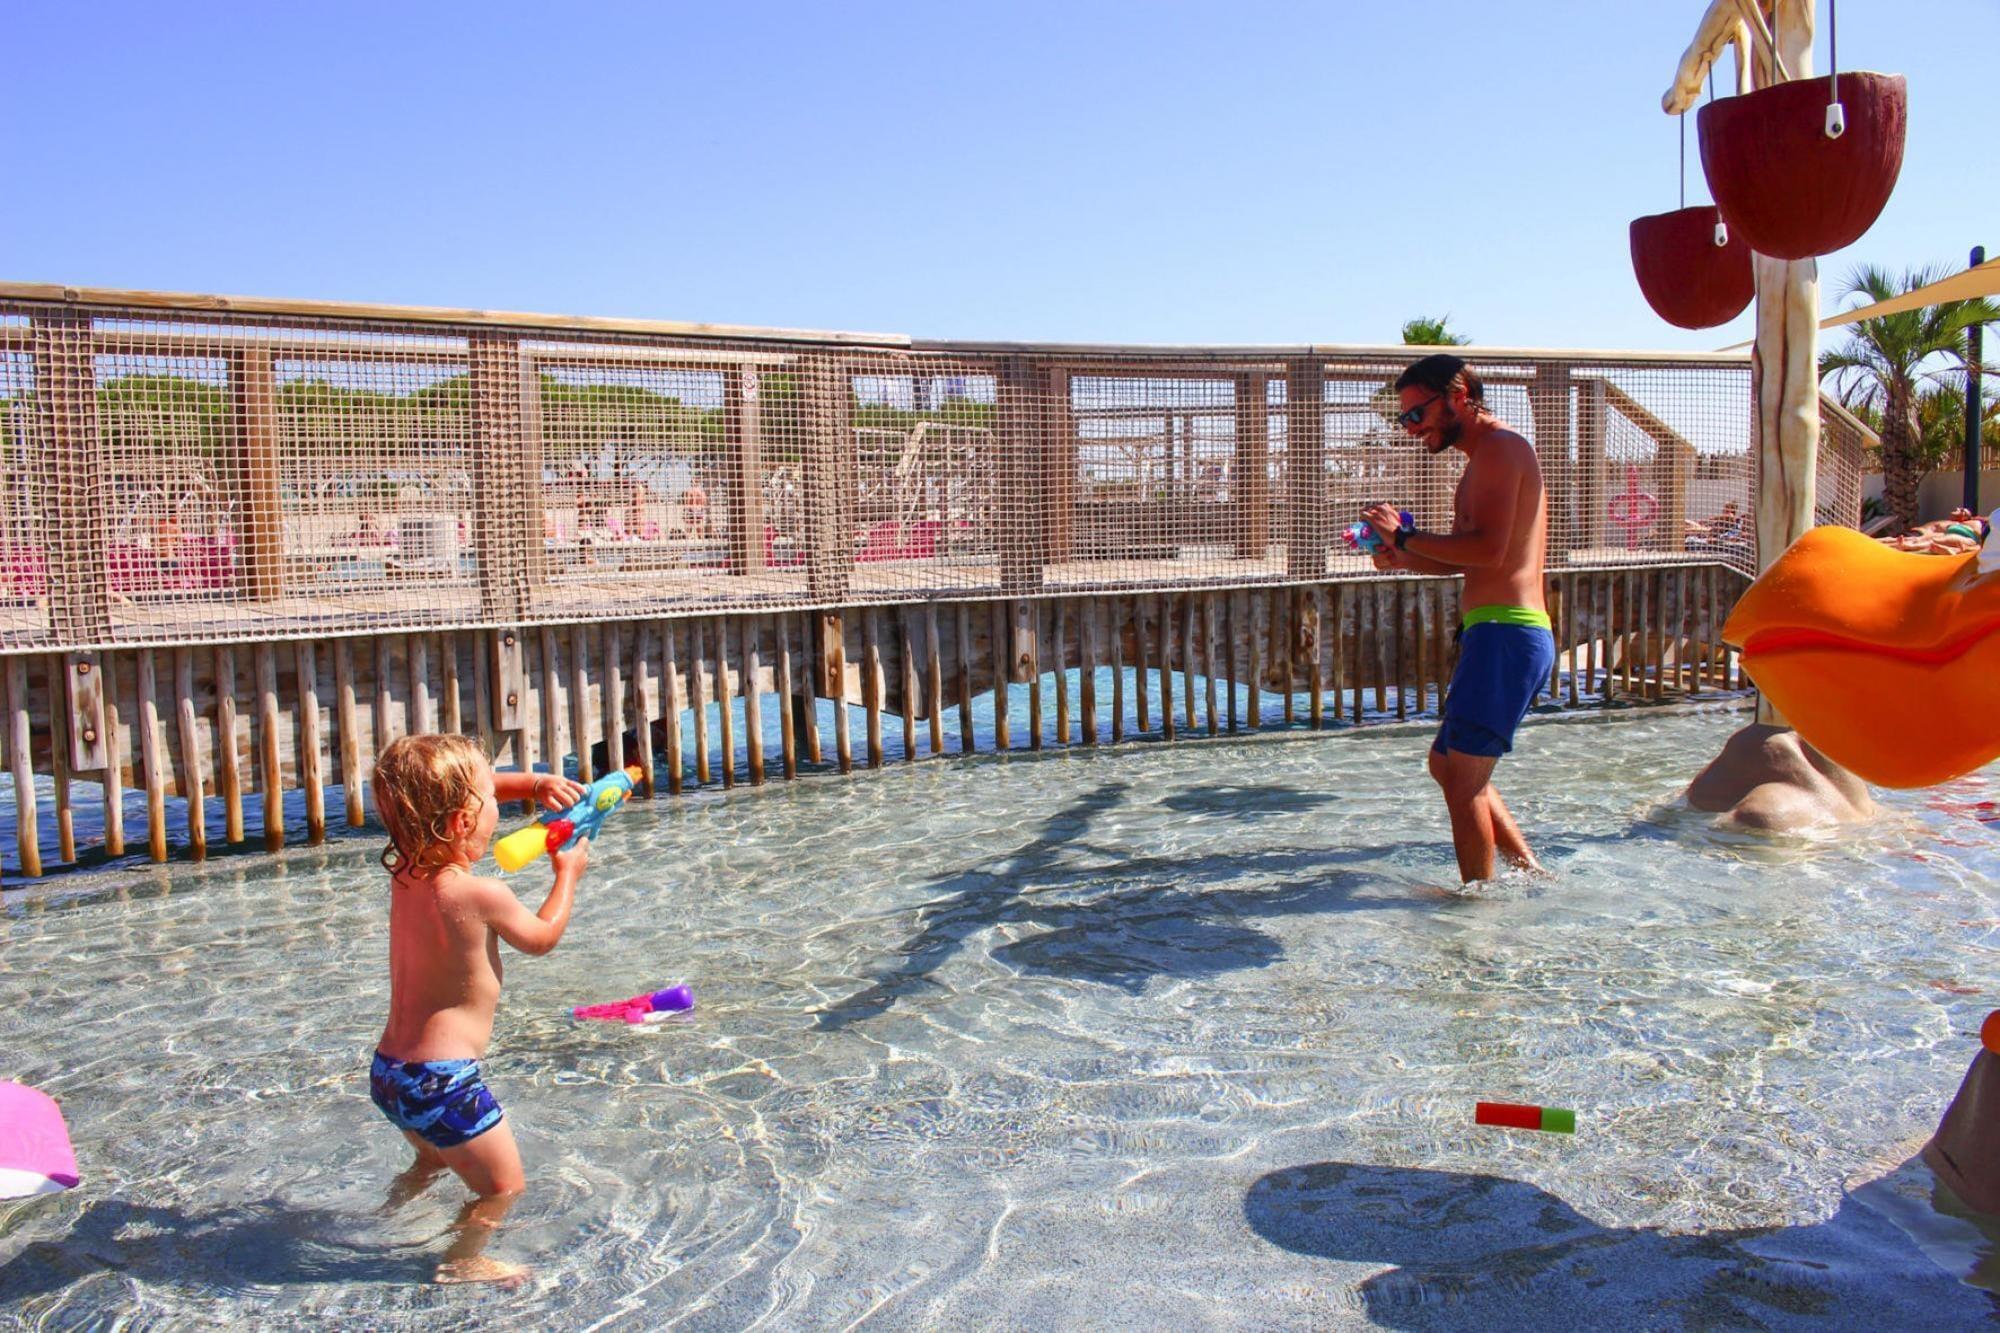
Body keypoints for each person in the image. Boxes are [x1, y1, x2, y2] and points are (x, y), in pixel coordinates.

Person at [368, 735, 587, 1284]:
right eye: (490, 798)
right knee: (503, 1188)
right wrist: (567, 875)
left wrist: (535, 784)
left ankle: (396, 1209)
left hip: (391, 1074)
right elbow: (541, 938)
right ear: (464, 821)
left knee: (434, 1156)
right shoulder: (483, 894)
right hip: (443, 1082)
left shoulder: (405, 874)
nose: (498, 801)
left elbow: (440, 797)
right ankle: (464, 1259)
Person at [1362, 353, 1555, 883]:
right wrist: (1403, 556)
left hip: (1507, 633)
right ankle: (1530, 874)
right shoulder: (1482, 460)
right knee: (1447, 765)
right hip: (1494, 631)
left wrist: (1405, 536)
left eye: (1415, 414)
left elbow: (1489, 551)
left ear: (1458, 397)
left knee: (1463, 777)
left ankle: (1477, 910)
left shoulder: (1502, 449)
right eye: (1403, 419)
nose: (1410, 429)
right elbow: (1467, 559)